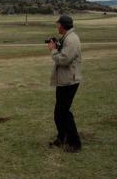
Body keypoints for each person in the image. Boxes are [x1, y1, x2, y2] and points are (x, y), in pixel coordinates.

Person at [48, 15, 82, 152]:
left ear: (62, 26)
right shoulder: (68, 38)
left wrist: (53, 50)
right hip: (65, 80)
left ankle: (75, 143)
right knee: (59, 112)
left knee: (64, 112)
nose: (57, 26)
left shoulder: (72, 39)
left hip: (69, 81)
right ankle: (62, 138)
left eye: (58, 24)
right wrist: (58, 45)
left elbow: (64, 60)